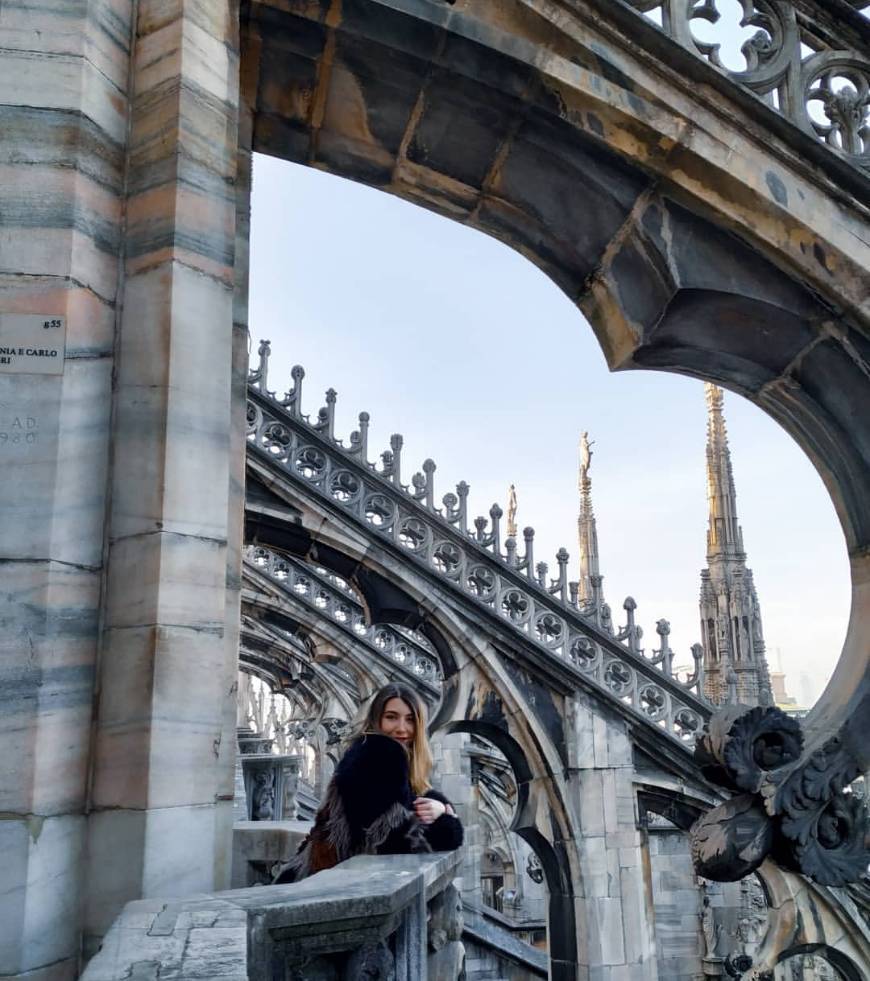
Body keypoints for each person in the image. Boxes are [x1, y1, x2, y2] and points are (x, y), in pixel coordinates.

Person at [274, 683, 463, 882]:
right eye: (391, 717)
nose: (401, 728)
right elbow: (396, 841)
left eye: (410, 720)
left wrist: (438, 805)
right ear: (377, 719)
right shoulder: (382, 754)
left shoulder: (365, 750)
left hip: (312, 875)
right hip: (333, 887)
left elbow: (407, 802)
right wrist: (447, 822)